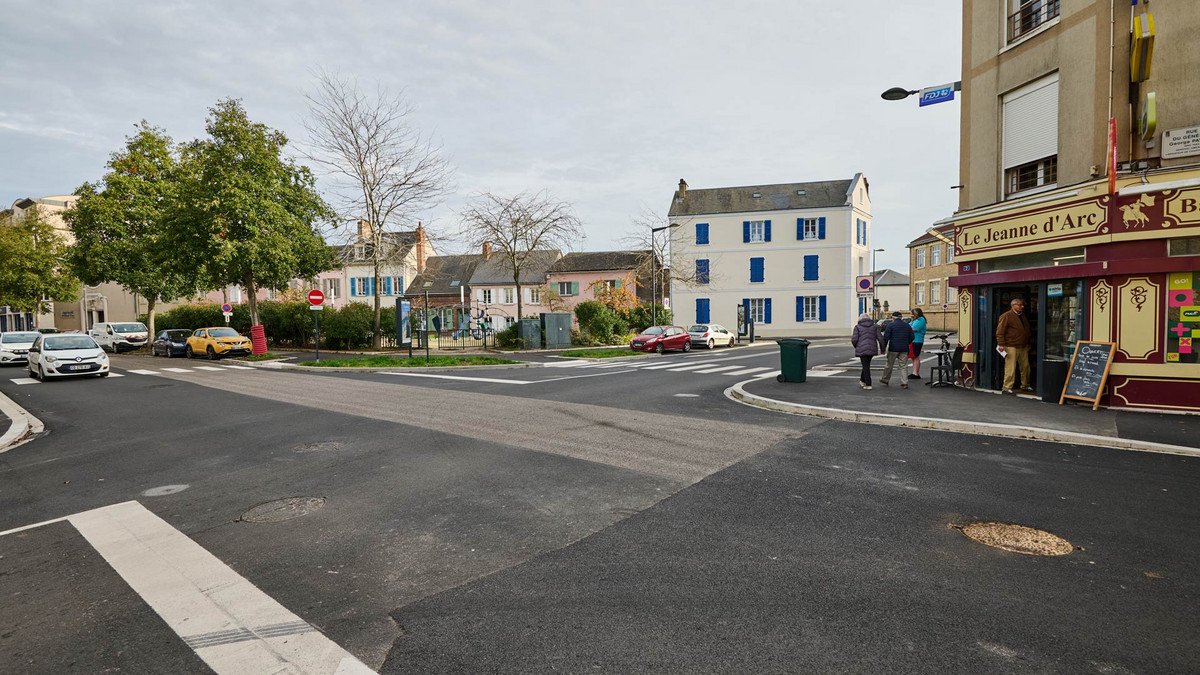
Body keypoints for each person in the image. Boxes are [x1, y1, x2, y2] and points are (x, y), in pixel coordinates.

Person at [996, 297, 1033, 394]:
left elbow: (1027, 331)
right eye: (1019, 305)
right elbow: (1000, 332)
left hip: (1023, 346)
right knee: (1010, 368)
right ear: (1013, 306)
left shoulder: (1023, 316)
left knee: (1025, 367)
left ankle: (1025, 385)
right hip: (1010, 345)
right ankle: (1006, 387)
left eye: (1022, 305)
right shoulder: (1006, 316)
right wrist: (1001, 344)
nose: (1022, 307)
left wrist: (1027, 343)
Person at [879, 311, 915, 388]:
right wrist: (907, 342)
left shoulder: (890, 325)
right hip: (904, 348)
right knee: (903, 366)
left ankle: (885, 379)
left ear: (893, 318)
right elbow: (912, 337)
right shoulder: (907, 325)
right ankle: (904, 382)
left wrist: (883, 348)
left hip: (893, 348)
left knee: (889, 364)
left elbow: (886, 337)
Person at [850, 312, 882, 390]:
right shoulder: (874, 327)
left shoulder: (857, 327)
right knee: (866, 365)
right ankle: (862, 380)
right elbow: (880, 338)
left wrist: (856, 346)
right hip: (872, 348)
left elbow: (854, 339)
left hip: (861, 348)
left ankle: (868, 384)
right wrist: (883, 349)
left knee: (865, 366)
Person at [908, 308, 927, 380]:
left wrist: (906, 327)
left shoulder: (921, 320)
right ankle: (915, 372)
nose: (912, 315)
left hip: (917, 340)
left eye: (913, 314)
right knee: (914, 356)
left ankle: (916, 373)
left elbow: (914, 329)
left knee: (915, 356)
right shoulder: (915, 320)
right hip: (913, 340)